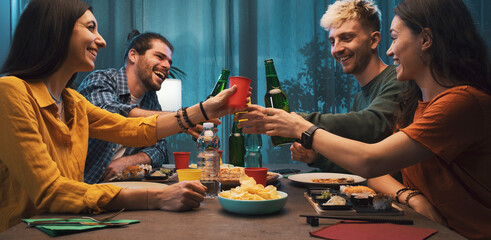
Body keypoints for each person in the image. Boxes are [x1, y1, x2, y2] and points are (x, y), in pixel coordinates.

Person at [237, 0, 491, 239]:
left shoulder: (461, 102)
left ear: (425, 40)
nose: (390, 50)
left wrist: (301, 127)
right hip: (429, 226)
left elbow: (371, 159)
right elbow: (376, 168)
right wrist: (411, 196)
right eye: (333, 40)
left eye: (394, 38)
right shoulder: (416, 103)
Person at [0, 0, 245, 233]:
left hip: (73, 223)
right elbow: (50, 191)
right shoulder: (10, 91)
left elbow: (134, 130)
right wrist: (157, 197)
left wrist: (204, 110)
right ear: (56, 30)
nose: (102, 40)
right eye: (90, 28)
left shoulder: (73, 102)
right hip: (24, 231)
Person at [272, 0, 406, 173]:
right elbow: (360, 162)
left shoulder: (398, 79)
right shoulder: (360, 97)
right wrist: (316, 158)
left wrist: (297, 122)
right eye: (332, 41)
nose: (336, 49)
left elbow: (373, 123)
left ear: (373, 40)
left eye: (346, 38)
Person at [78, 30, 209, 183]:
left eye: (169, 62)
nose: (167, 66)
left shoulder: (150, 100)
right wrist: (182, 117)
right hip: (84, 188)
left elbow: (159, 149)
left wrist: (127, 162)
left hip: (122, 188)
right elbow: (110, 114)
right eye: (159, 57)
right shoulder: (101, 79)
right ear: (133, 55)